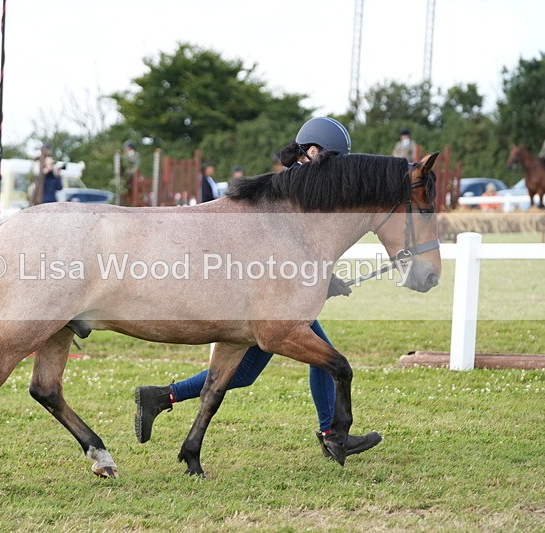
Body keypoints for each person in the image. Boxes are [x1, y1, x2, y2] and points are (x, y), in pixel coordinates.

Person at [135, 116, 382, 462]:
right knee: (320, 358)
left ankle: (162, 397)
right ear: (312, 153)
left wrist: (325, 280)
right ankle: (331, 434)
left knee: (250, 373)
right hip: (264, 304)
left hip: (270, 302)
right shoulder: (284, 195)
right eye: (333, 162)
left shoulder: (300, 197)